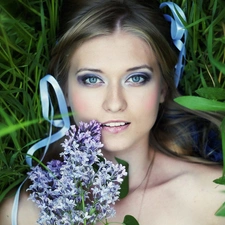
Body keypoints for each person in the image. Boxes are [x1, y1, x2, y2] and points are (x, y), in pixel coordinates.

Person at [0, 0, 224, 224]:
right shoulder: (22, 213)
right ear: (64, 90)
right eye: (92, 79)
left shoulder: (214, 197)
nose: (115, 103)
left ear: (163, 88)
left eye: (136, 78)